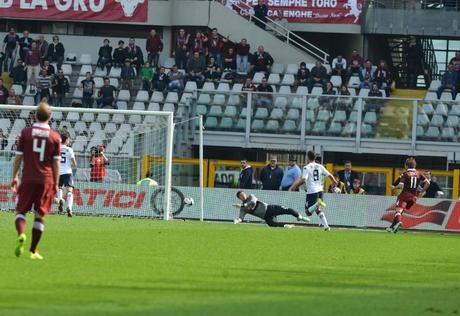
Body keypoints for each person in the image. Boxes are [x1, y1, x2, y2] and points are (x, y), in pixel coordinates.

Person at [11, 102, 61, 260]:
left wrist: (14, 176)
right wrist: (56, 183)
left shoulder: (26, 133)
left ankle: (21, 234)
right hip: (46, 180)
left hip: (28, 178)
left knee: (20, 211)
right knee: (39, 215)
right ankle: (33, 251)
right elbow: (56, 162)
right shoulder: (55, 137)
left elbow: (18, 157)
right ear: (50, 116)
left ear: (34, 115)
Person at [289, 150, 337, 230]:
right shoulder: (320, 166)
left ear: (307, 157)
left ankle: (317, 204)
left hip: (312, 191)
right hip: (320, 191)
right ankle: (327, 227)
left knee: (307, 212)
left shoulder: (306, 167)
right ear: (315, 157)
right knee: (318, 210)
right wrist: (334, 182)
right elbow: (330, 175)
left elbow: (304, 179)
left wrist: (295, 186)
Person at [387, 157, 430, 233]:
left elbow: (400, 185)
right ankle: (392, 227)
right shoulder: (418, 173)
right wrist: (422, 191)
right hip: (413, 198)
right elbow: (427, 182)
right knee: (400, 211)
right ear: (414, 165)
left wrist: (394, 188)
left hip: (404, 195)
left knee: (398, 210)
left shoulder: (405, 174)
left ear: (406, 166)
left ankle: (398, 222)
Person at [233, 191, 310, 228]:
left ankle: (300, 217)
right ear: (239, 198)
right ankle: (287, 226)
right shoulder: (243, 209)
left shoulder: (251, 196)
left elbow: (253, 202)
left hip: (270, 208)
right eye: (241, 196)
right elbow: (241, 217)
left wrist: (243, 205)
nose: (243, 196)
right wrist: (237, 220)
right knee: (272, 224)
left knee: (287, 210)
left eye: (243, 194)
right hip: (265, 216)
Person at [57, 133, 77, 217]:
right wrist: (71, 165)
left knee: (59, 187)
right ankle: (69, 208)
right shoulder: (69, 149)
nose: (69, 141)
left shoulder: (56, 149)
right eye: (68, 139)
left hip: (58, 172)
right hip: (67, 172)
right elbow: (74, 163)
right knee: (70, 190)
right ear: (66, 140)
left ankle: (60, 199)